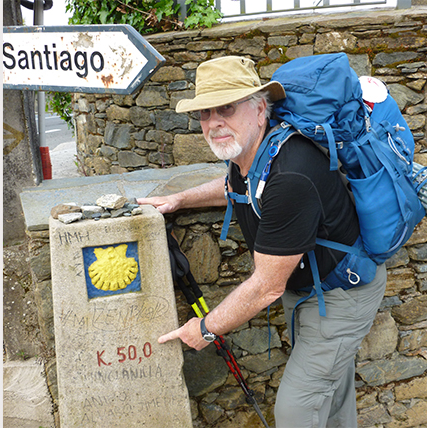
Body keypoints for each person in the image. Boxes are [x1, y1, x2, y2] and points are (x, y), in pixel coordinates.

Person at [138, 56, 387, 427]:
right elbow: (236, 187)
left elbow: (266, 288)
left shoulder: (290, 174)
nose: (213, 122)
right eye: (206, 113)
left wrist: (205, 328)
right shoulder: (255, 151)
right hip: (309, 286)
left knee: (296, 409)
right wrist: (181, 199)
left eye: (226, 108)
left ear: (258, 110)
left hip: (342, 293)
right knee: (331, 392)